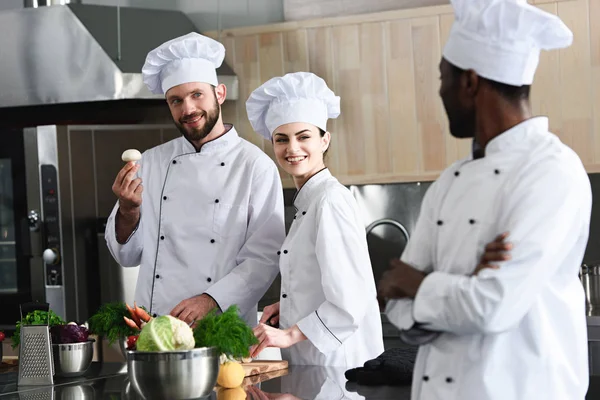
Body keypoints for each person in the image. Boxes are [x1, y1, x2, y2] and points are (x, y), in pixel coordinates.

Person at [377, 0, 591, 399]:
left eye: (443, 77)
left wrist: (419, 284)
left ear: (470, 82)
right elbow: (396, 304)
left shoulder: (551, 171)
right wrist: (462, 284)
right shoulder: (448, 182)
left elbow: (493, 306)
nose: (439, 90)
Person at [105, 32, 286, 327]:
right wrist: (128, 211)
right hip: (155, 326)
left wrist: (211, 299)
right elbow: (127, 256)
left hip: (221, 325)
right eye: (176, 100)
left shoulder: (255, 167)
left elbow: (263, 259)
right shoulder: (150, 162)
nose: (187, 109)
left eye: (196, 95)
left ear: (220, 94)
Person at [245, 72, 384, 368]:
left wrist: (290, 334)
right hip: (316, 364)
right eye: (281, 140)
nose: (292, 149)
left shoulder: (330, 201)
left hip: (340, 367)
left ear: (324, 140)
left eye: (303, 137)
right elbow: (322, 282)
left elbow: (351, 300)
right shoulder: (310, 203)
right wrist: (290, 305)